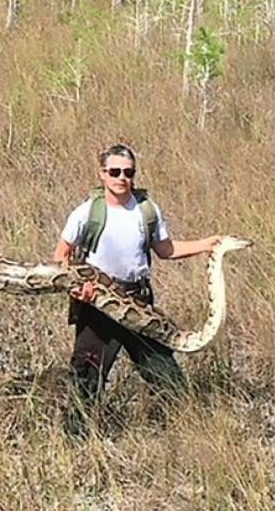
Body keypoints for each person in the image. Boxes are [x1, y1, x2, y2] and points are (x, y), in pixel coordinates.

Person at [53, 143, 220, 427]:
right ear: (102, 174)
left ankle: (185, 430)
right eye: (115, 171)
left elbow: (165, 249)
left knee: (166, 375)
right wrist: (77, 288)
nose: (122, 178)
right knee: (86, 380)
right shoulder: (86, 212)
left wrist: (206, 244)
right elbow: (61, 255)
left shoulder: (146, 210)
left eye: (128, 172)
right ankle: (77, 442)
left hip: (139, 303)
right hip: (98, 305)